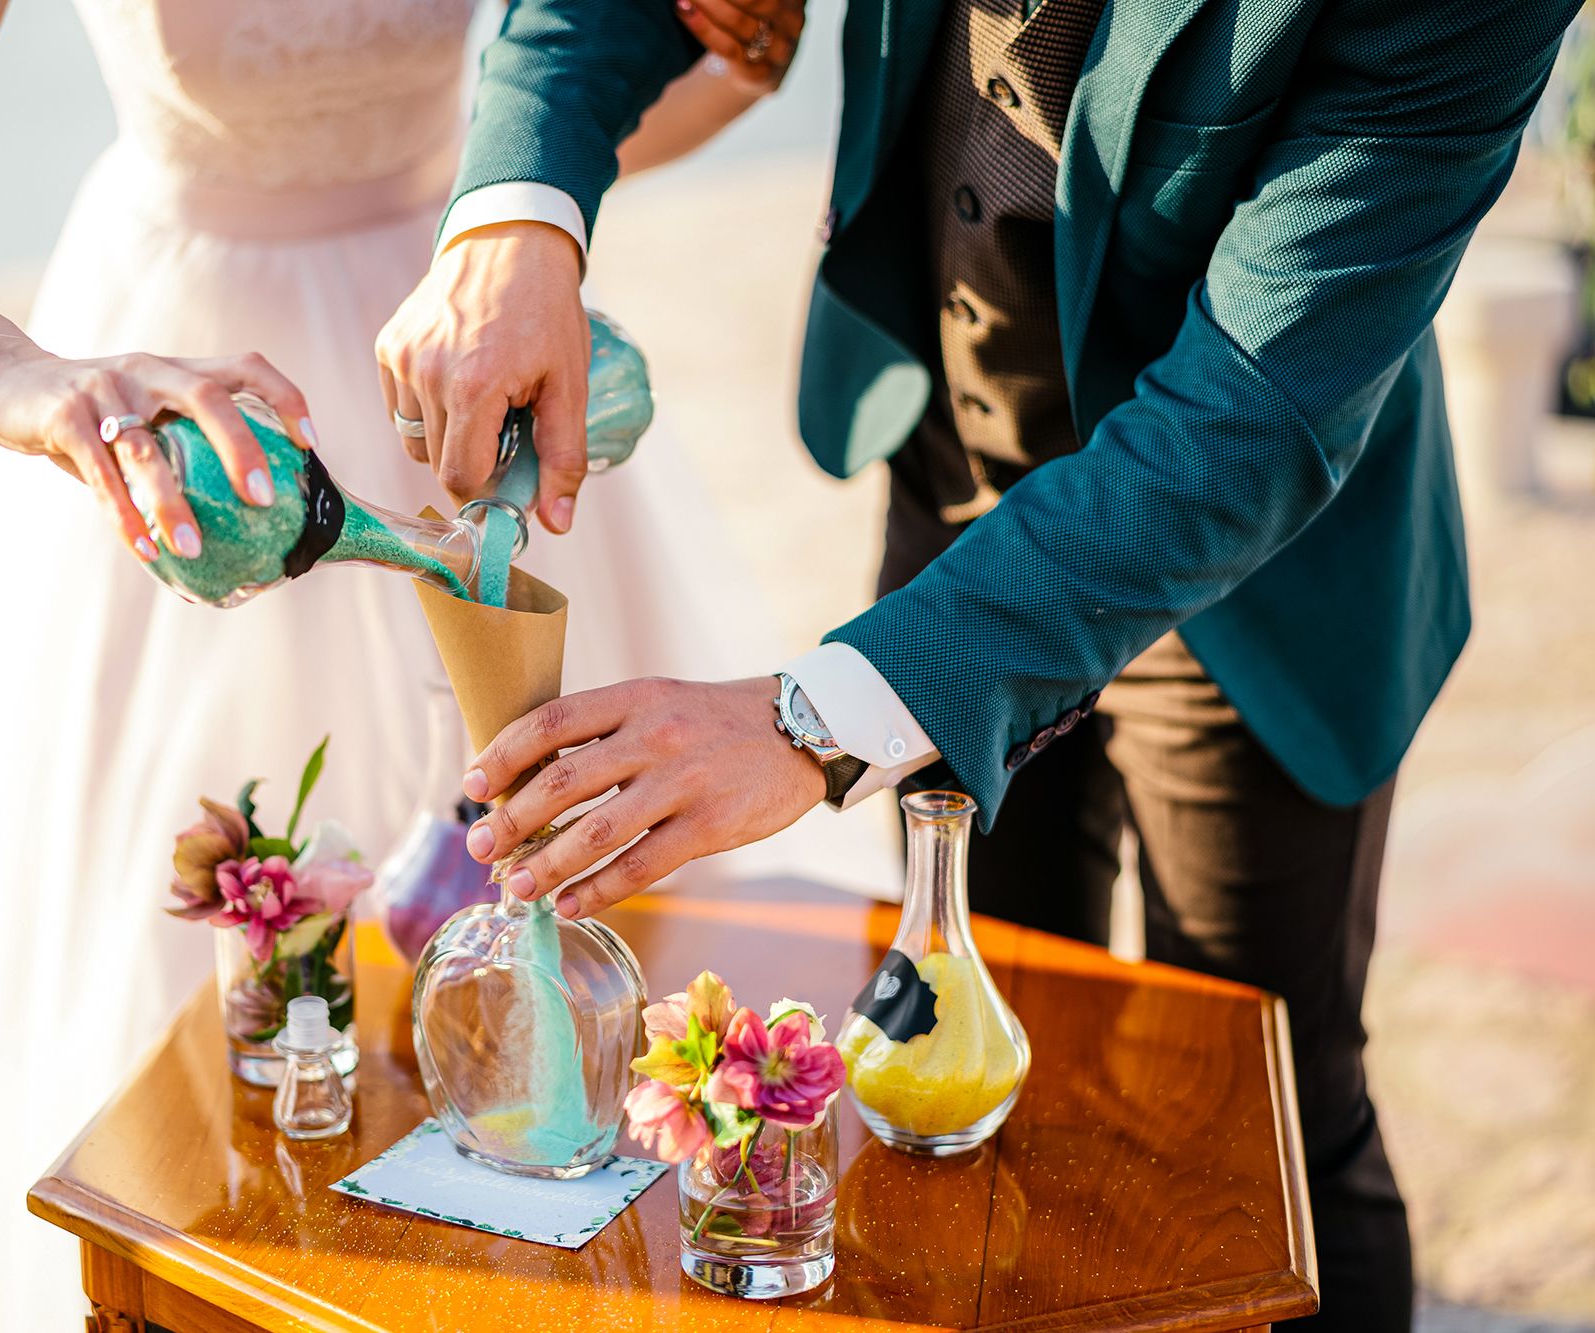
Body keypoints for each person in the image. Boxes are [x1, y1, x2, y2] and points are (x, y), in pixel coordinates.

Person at [0, 3, 818, 1330]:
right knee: (180, 976)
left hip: (445, 344)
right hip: (194, 418)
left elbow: (558, 109)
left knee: (573, 899)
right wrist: (17, 377)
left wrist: (733, 79)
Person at [378, 0, 1584, 1326]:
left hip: (1258, 562)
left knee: (1273, 1128)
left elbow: (1248, 416)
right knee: (948, 1068)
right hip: (955, 477)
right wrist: (519, 212)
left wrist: (807, 721)